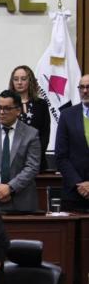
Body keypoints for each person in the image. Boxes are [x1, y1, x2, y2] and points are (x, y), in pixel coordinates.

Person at [55, 74, 89, 212]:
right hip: (74, 193)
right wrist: (79, 184)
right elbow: (61, 156)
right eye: (82, 87)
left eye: (88, 87)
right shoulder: (67, 115)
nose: (85, 91)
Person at [7, 65, 51, 169]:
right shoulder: (7, 105)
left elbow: (45, 134)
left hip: (36, 161)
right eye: (16, 79)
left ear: (30, 81)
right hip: (13, 162)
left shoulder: (41, 104)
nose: (19, 82)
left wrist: (35, 155)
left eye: (23, 79)